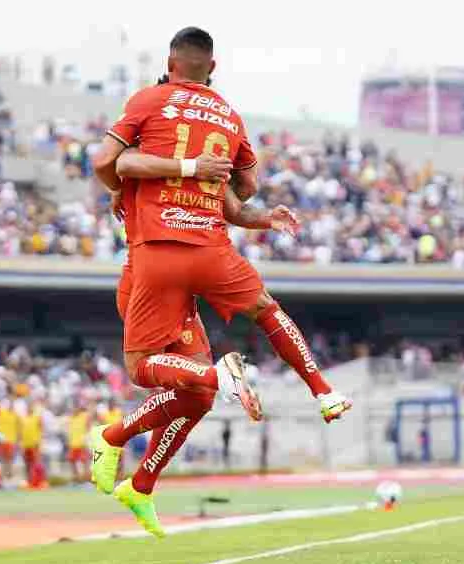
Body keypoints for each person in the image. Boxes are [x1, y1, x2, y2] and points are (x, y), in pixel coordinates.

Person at [90, 26, 351, 535]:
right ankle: (315, 389)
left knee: (194, 392)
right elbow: (242, 188)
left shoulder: (148, 107)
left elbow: (110, 162)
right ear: (213, 67)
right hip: (193, 255)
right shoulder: (228, 115)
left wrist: (122, 188)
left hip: (160, 263)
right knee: (239, 337)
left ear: (169, 64)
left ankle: (137, 477)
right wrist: (249, 210)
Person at [67, 403, 92, 484]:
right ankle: (77, 479)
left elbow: (89, 419)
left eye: (75, 408)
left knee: (85, 463)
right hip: (73, 444)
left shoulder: (84, 416)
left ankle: (86, 481)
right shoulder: (71, 418)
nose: (74, 410)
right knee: (72, 462)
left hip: (82, 444)